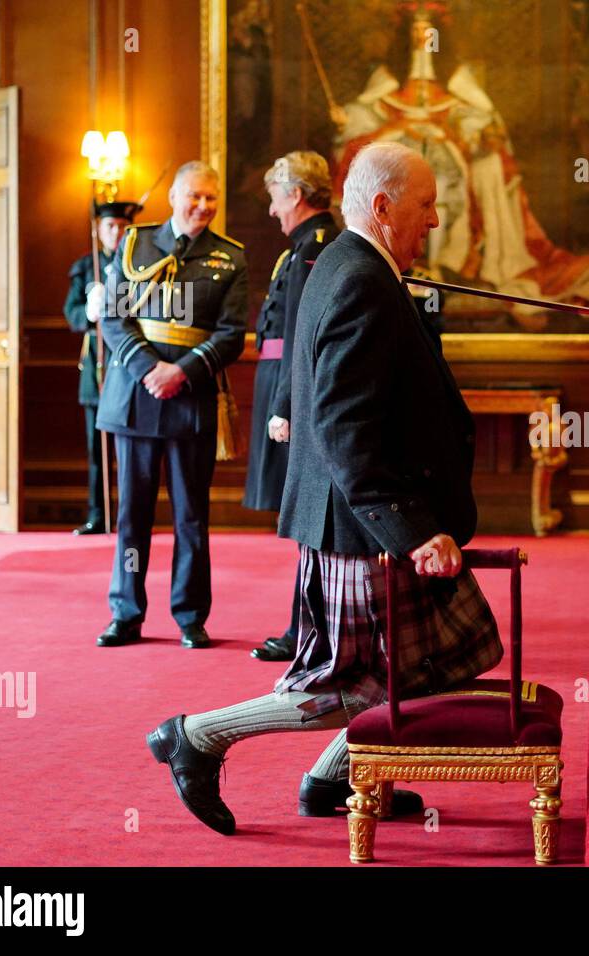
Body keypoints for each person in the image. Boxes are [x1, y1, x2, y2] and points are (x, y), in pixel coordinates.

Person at [146, 143, 503, 833]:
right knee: (348, 687)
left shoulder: (358, 262)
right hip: (364, 526)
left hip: (374, 516)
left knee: (449, 658)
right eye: (426, 206)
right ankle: (196, 737)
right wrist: (410, 530)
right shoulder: (359, 278)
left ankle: (332, 779)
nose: (435, 219)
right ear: (383, 206)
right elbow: (343, 426)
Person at [93, 162, 248, 649]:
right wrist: (149, 369)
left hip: (190, 398)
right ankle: (127, 612)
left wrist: (180, 372)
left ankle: (189, 616)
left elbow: (231, 335)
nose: (204, 206)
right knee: (133, 518)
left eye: (212, 199)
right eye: (195, 197)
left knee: (190, 518)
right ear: (176, 196)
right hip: (136, 398)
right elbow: (114, 318)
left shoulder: (230, 258)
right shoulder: (136, 243)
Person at [243, 151, 340, 663]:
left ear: (296, 194)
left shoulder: (315, 246)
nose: (272, 209)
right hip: (283, 387)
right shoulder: (305, 244)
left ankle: (305, 629)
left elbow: (303, 338)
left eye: (276, 197)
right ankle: (306, 626)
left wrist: (284, 407)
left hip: (291, 395)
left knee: (308, 517)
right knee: (304, 517)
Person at [62, 200, 139, 535]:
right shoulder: (85, 267)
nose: (116, 233)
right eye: (109, 226)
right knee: (97, 449)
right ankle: (98, 513)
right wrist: (88, 314)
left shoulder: (139, 265)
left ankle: (129, 515)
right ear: (98, 230)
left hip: (130, 362)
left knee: (130, 448)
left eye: (122, 227)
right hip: (96, 366)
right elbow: (72, 313)